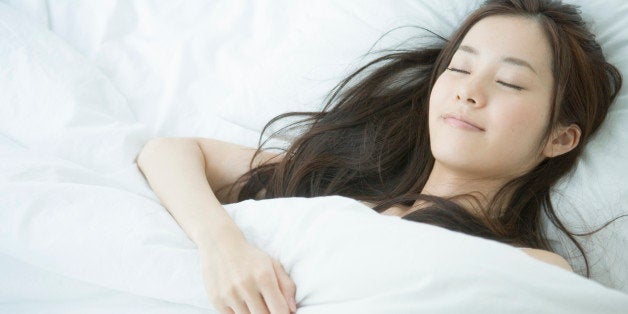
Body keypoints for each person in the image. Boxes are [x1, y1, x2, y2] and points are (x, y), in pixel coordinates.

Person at [136, 0, 623, 313]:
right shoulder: (343, 188)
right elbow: (171, 152)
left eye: (509, 82)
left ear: (559, 139)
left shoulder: (534, 268)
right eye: (459, 68)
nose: (468, 93)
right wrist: (225, 247)